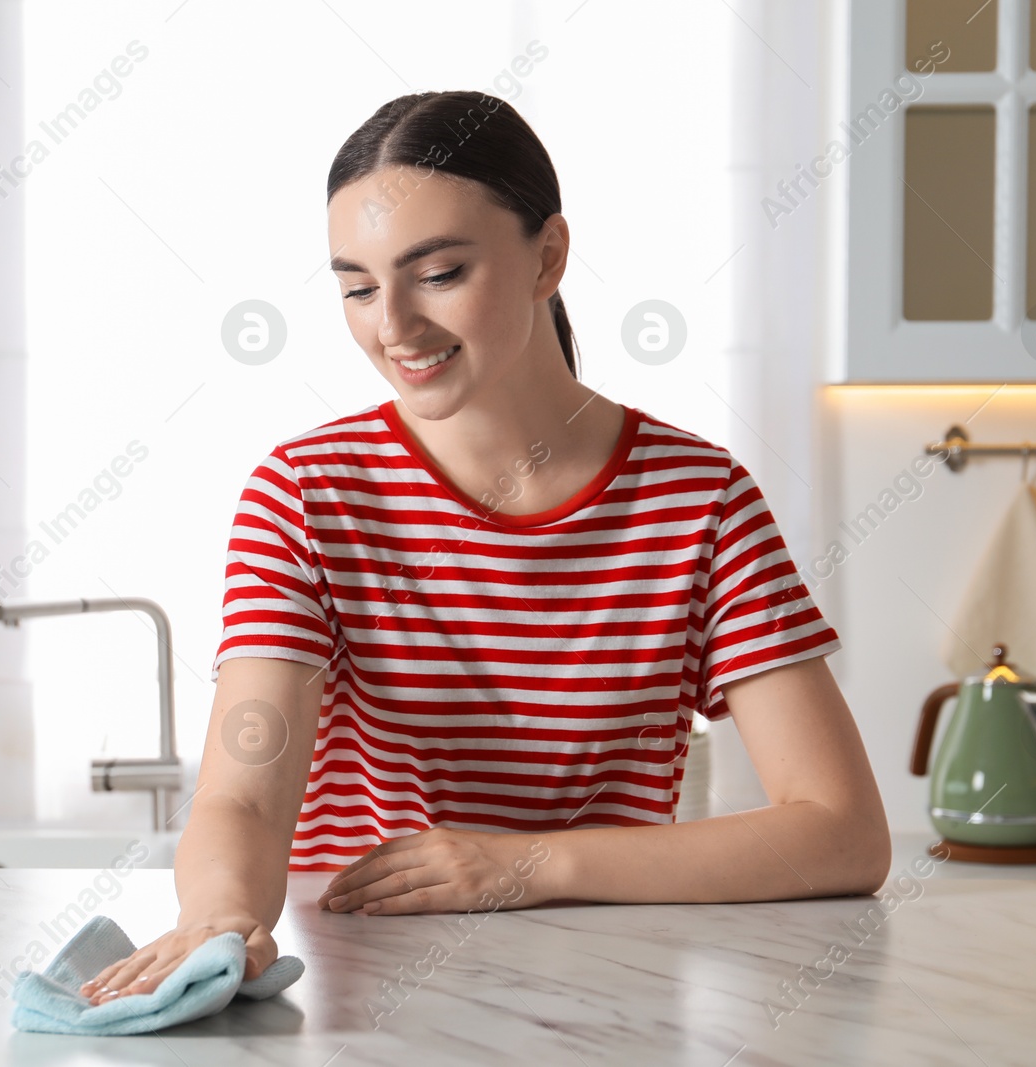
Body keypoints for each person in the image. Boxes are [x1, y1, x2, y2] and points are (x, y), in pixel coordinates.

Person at [80, 90, 888, 1005]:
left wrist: (521, 864)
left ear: (549, 256)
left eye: (438, 273)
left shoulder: (699, 500)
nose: (393, 325)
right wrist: (220, 917)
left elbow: (843, 832)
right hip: (367, 992)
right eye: (356, 286)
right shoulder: (307, 494)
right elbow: (246, 799)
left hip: (608, 1003)